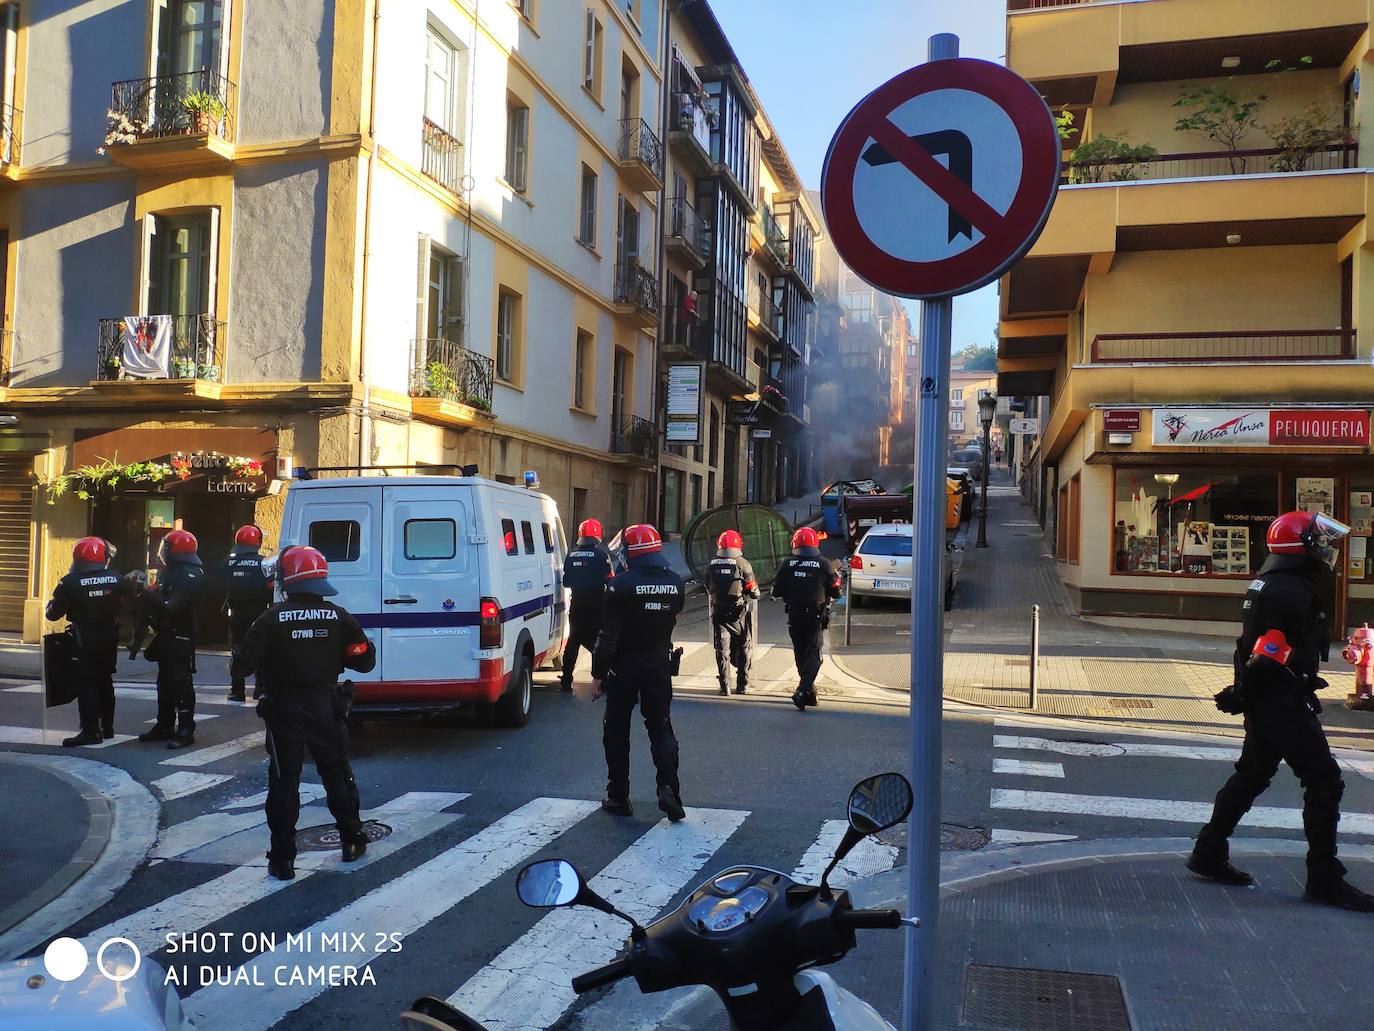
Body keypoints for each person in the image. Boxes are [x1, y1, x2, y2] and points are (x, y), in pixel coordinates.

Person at [1189, 511, 1374, 912]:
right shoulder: (1292, 590)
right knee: (1325, 781)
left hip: (1269, 696)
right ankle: (1324, 878)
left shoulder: (1270, 582)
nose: (1326, 548)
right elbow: (1269, 651)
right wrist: (1245, 691)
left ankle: (1208, 850)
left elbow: (1261, 647)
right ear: (1303, 547)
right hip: (1280, 700)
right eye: (1319, 541)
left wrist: (1245, 692)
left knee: (1253, 773)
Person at [231, 545, 376, 881]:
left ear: (288, 580)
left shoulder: (269, 619)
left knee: (284, 785)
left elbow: (241, 667)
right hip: (326, 709)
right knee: (337, 777)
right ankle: (352, 841)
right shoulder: (338, 616)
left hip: (284, 712)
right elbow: (365, 661)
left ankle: (282, 860)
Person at [590, 523, 686, 821]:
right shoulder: (676, 582)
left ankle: (618, 796)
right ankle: (669, 789)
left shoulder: (620, 585)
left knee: (616, 729)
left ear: (631, 552)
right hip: (658, 664)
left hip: (624, 667)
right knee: (661, 727)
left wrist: (597, 675)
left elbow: (607, 636)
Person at [45, 538, 131, 747]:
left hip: (84, 637)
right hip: (109, 635)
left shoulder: (70, 582)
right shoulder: (118, 579)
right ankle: (107, 727)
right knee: (105, 680)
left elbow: (53, 614)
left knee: (86, 683)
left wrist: (51, 605)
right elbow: (128, 605)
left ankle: (91, 730)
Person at [134, 529, 205, 749]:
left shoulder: (190, 574)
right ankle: (164, 725)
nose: (164, 551)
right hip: (166, 634)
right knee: (164, 682)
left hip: (181, 635)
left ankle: (185, 729)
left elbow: (173, 606)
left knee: (180, 683)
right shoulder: (171, 571)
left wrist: (151, 595)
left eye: (167, 547)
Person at [772, 526, 841, 711]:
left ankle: (809, 693)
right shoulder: (824, 564)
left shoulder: (788, 564)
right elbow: (837, 591)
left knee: (801, 653)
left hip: (794, 615)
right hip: (815, 615)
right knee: (815, 656)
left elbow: (776, 591)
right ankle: (802, 692)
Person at [559, 518, 614, 692]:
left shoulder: (571, 554)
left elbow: (566, 581)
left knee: (573, 641)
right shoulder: (601, 555)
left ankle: (566, 679)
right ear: (598, 534)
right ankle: (601, 678)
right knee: (597, 642)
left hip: (577, 604)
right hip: (597, 604)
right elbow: (610, 579)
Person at [222, 525, 274, 702]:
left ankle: (237, 691)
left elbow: (218, 586)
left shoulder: (227, 562)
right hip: (259, 615)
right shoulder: (263, 563)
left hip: (236, 614)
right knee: (262, 650)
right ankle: (261, 689)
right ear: (258, 542)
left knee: (238, 650)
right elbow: (271, 590)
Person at [707, 529, 758, 695]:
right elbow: (753, 591)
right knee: (744, 646)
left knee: (722, 650)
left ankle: (725, 686)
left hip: (719, 612)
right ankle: (742, 684)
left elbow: (708, 586)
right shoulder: (743, 564)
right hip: (738, 614)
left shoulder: (711, 564)